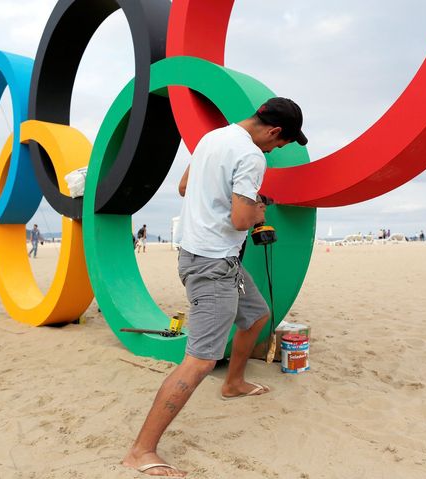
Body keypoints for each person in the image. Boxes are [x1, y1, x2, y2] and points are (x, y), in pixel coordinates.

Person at [122, 97, 308, 477]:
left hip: (208, 257)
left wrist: (222, 202)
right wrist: (257, 209)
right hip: (212, 265)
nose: (275, 151)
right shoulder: (252, 156)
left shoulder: (212, 137)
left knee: (257, 316)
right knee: (201, 360)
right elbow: (242, 220)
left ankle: (234, 383)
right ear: (273, 131)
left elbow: (185, 185)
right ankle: (141, 451)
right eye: (281, 144)